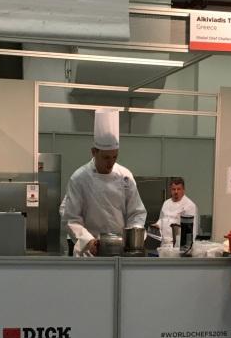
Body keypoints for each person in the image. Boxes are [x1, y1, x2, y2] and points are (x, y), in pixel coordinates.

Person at [60, 109, 146, 257]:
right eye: (106, 157)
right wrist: (88, 241)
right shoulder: (79, 178)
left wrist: (133, 239)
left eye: (114, 157)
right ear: (94, 152)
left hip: (120, 252)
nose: (111, 163)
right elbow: (71, 218)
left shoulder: (125, 176)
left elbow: (137, 213)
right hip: (89, 253)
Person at [154, 177, 198, 245]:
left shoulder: (189, 205)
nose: (176, 192)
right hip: (164, 244)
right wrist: (157, 225)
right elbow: (162, 219)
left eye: (179, 189)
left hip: (179, 245)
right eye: (174, 189)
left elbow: (191, 230)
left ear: (183, 190)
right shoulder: (166, 203)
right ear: (170, 190)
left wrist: (186, 246)